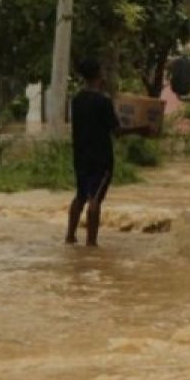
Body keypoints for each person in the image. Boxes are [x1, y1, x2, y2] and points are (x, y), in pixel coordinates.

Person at [66, 59, 146, 246]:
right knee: (95, 200)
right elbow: (116, 131)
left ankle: (70, 236)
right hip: (101, 158)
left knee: (80, 195)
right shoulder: (103, 101)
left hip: (80, 156)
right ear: (98, 76)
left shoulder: (77, 100)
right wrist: (140, 129)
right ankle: (91, 243)